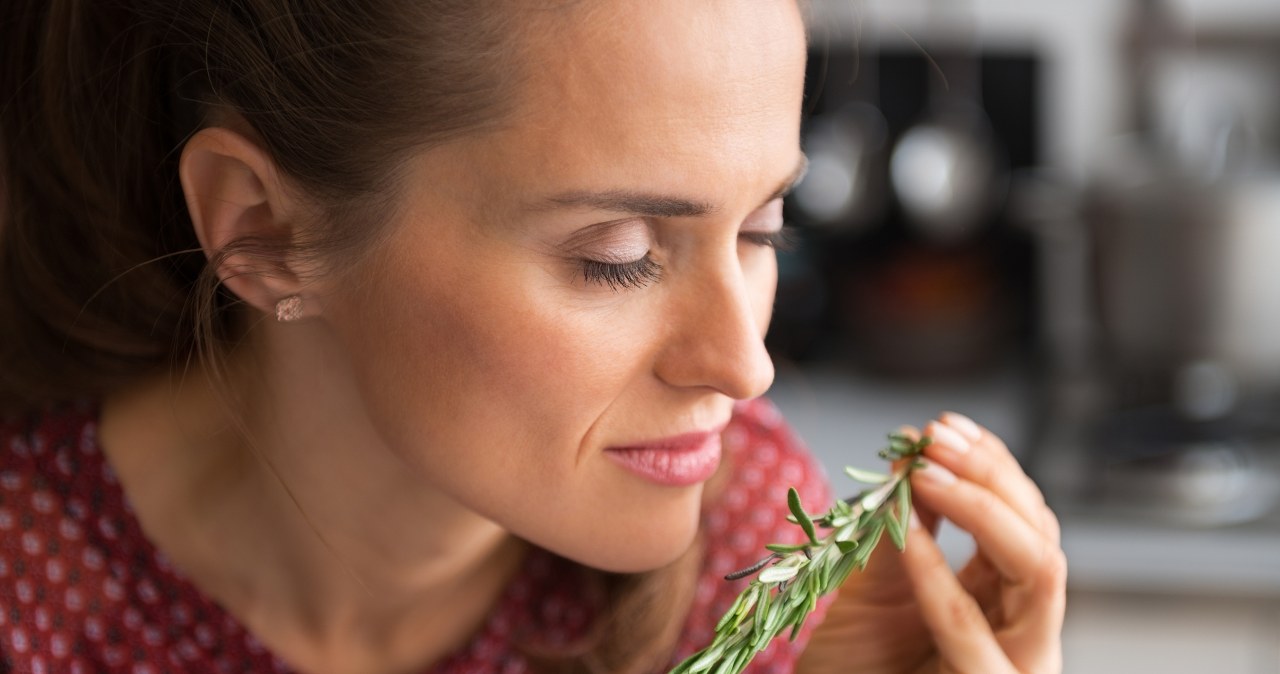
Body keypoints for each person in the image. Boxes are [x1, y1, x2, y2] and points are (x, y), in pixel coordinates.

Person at [0, 1, 1066, 672]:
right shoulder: (27, 591)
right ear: (265, 229)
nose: (745, 365)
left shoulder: (750, 564)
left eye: (759, 230)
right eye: (614, 253)